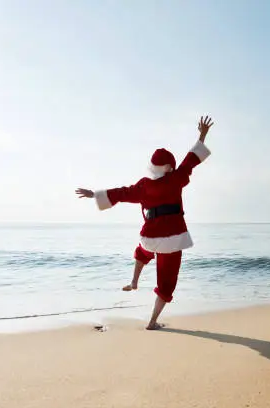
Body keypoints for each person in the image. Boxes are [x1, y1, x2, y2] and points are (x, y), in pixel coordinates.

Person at [75, 115, 214, 330]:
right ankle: (152, 322)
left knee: (142, 252)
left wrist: (94, 194)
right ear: (168, 167)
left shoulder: (144, 186)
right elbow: (191, 159)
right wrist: (203, 134)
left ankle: (134, 281)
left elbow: (121, 193)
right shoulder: (176, 179)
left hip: (150, 237)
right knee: (166, 282)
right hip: (173, 239)